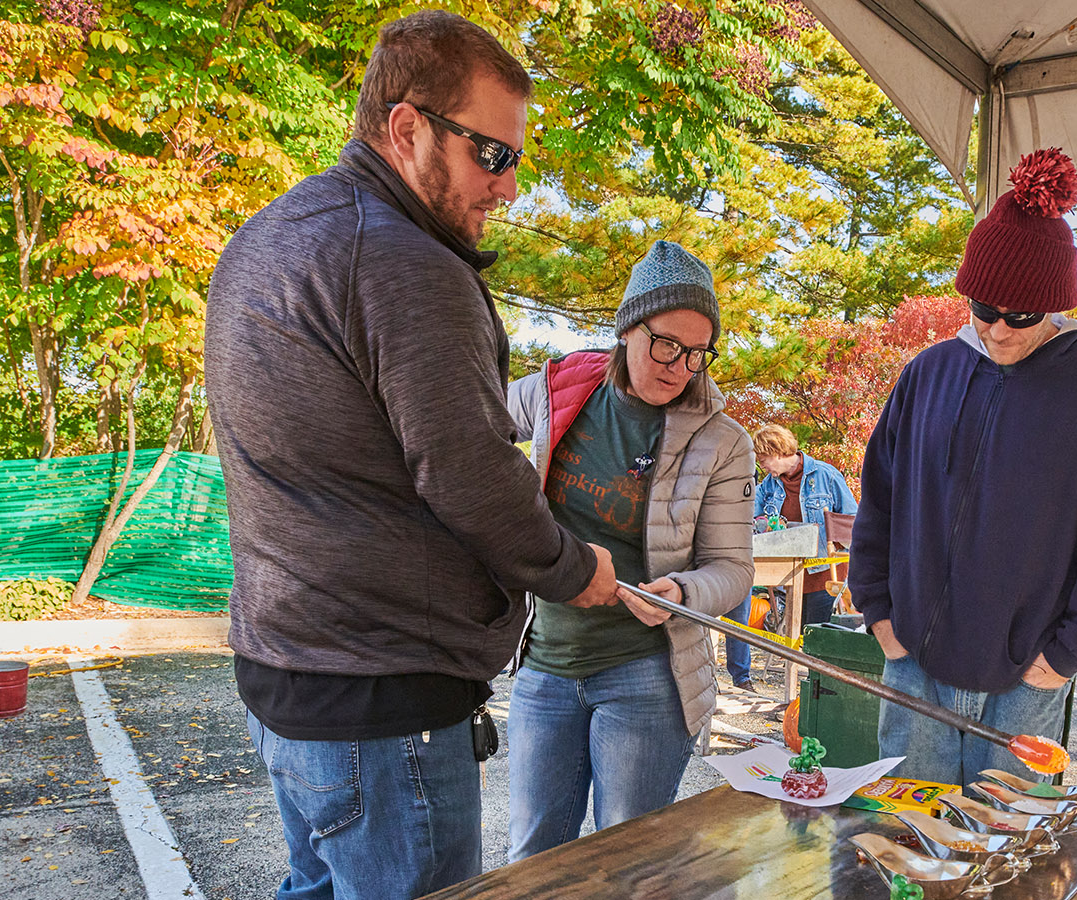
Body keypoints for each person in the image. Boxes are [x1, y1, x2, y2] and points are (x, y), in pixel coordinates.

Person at [203, 12, 619, 899]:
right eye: (491, 155)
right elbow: (470, 472)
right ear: (407, 127)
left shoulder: (266, 238)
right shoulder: (401, 261)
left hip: (288, 679)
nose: (507, 188)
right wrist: (573, 566)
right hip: (382, 701)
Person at [849, 148, 1077, 786]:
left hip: (1028, 675)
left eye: (1020, 316)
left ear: (1055, 307)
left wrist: (1069, 654)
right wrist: (878, 610)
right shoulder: (928, 373)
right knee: (907, 844)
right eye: (983, 311)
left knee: (1006, 855)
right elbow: (879, 494)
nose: (998, 331)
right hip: (913, 660)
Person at [502, 241, 755, 860]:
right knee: (534, 858)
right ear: (626, 328)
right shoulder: (556, 392)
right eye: (666, 343)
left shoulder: (724, 442)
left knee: (629, 864)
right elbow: (467, 435)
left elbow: (733, 570)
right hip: (546, 666)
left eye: (698, 353)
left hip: (646, 672)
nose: (679, 366)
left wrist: (685, 593)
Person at [725, 424, 858, 692]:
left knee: (814, 636)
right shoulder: (768, 485)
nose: (762, 466)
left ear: (776, 451)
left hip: (822, 570)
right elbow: (752, 516)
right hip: (785, 570)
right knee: (745, 603)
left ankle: (817, 696)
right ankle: (749, 679)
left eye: (763, 460)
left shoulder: (826, 475)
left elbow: (854, 521)